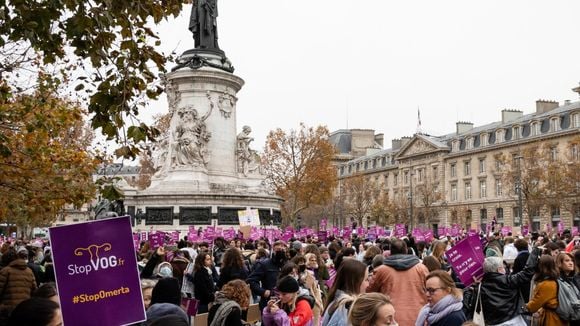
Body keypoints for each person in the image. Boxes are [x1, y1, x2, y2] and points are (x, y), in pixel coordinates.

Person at [367, 239, 428, 325]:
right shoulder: (421, 268)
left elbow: (370, 293)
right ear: (406, 250)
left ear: (391, 251)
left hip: (389, 318)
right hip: (417, 317)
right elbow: (430, 291)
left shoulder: (381, 270)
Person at [476, 247, 540, 325]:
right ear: (499, 269)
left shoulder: (480, 286)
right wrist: (535, 251)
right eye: (503, 267)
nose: (505, 269)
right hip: (514, 321)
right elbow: (527, 272)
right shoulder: (508, 280)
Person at [321, 259, 369, 326]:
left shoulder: (336, 301)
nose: (368, 284)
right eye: (366, 279)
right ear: (355, 282)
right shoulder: (347, 307)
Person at [523, 255, 566, 326]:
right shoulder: (557, 280)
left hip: (552, 319)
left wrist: (522, 307)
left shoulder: (545, 284)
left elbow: (534, 305)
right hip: (560, 317)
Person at [247, 241, 288, 311]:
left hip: (285, 303)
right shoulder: (264, 264)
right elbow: (251, 280)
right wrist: (263, 291)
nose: (281, 250)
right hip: (269, 302)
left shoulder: (288, 265)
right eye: (278, 250)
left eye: (283, 249)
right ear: (273, 250)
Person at [0, 247, 37, 317]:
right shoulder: (29, 271)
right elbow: (34, 291)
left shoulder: (5, 271)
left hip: (7, 311)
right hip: (24, 309)